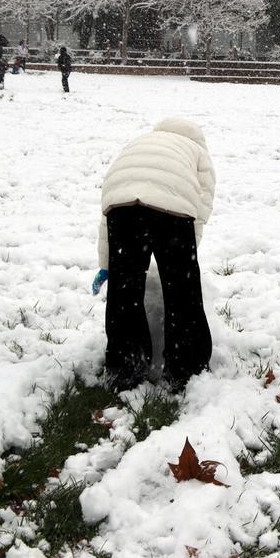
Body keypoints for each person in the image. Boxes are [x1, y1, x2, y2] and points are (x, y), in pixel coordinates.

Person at [92, 118, 216, 392]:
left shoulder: (141, 142)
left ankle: (124, 368)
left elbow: (107, 216)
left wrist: (107, 264)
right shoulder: (197, 152)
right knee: (182, 290)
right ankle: (186, 369)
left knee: (125, 289)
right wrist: (186, 258)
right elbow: (199, 210)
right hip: (172, 209)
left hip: (121, 205)